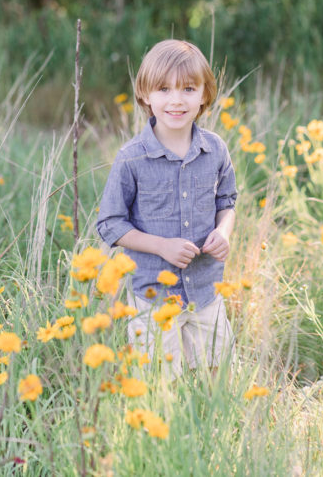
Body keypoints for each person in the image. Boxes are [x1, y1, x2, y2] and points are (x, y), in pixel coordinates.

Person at [96, 39, 237, 377]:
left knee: (219, 374)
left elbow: (227, 201)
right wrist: (162, 246)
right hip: (154, 296)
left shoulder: (215, 149)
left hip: (206, 290)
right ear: (146, 95)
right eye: (163, 89)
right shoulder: (132, 158)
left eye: (188, 88)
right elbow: (110, 223)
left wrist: (223, 231)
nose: (176, 100)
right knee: (160, 381)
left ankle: (216, 428)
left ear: (204, 94)